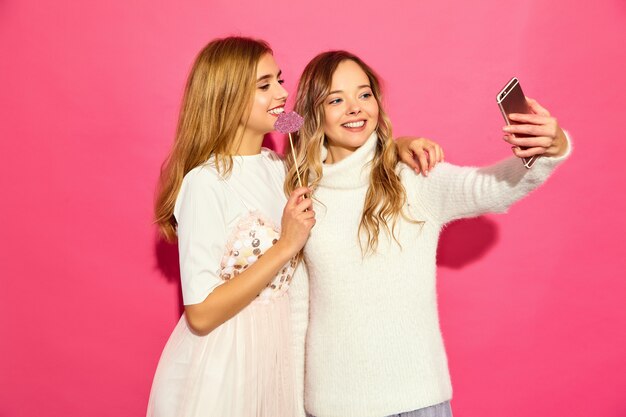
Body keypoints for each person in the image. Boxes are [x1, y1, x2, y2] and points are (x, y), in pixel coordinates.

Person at [147, 37, 441, 417]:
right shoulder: (205, 183)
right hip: (228, 363)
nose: (284, 93)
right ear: (228, 97)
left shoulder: (281, 165)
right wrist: (285, 246)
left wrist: (398, 144)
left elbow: (339, 125)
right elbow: (200, 314)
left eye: (280, 80)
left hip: (280, 358)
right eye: (265, 85)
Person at [285, 51, 571, 417]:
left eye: (364, 94)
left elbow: (492, 188)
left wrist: (551, 148)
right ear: (313, 111)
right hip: (331, 407)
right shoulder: (301, 196)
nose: (355, 108)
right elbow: (297, 310)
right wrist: (293, 406)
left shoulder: (411, 178)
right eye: (336, 99)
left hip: (418, 401)